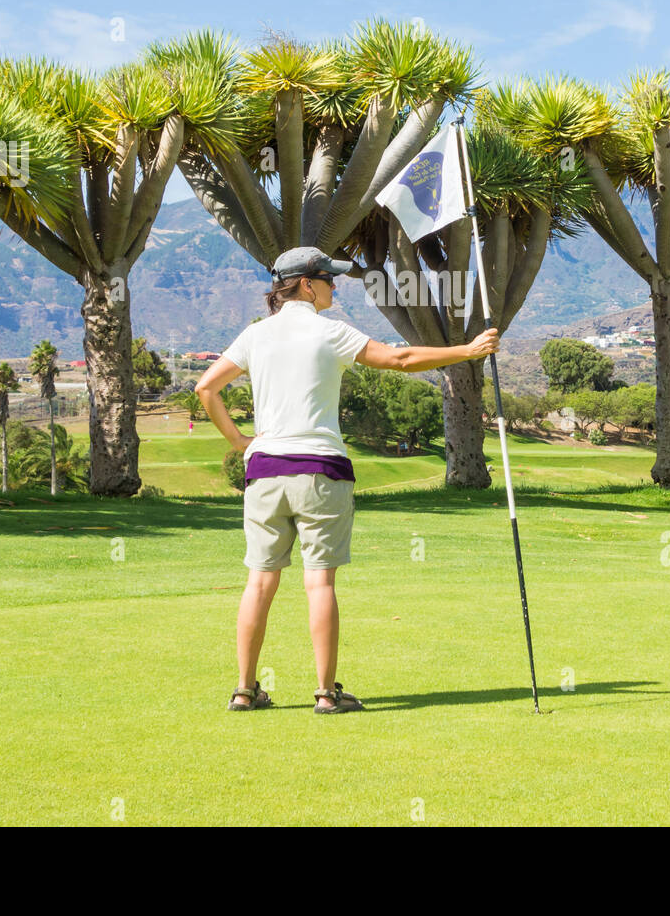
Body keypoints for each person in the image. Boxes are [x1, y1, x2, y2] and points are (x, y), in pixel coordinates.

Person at [196, 246, 499, 715]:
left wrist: (241, 442)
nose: (336, 286)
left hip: (265, 474)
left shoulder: (254, 336)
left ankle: (243, 690)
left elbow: (206, 388)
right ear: (305, 285)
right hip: (321, 471)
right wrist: (467, 350)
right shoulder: (330, 332)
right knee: (320, 583)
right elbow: (399, 359)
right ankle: (326, 694)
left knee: (259, 583)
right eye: (329, 279)